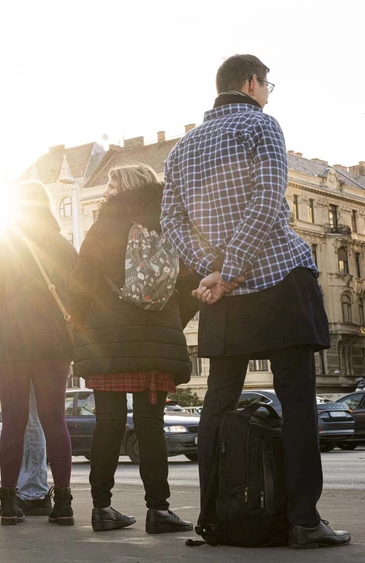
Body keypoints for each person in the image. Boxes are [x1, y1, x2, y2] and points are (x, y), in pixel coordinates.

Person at [161, 54, 350, 549]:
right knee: (297, 402)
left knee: (217, 405)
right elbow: (268, 202)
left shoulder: (181, 151)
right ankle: (304, 522)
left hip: (224, 299)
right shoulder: (260, 126)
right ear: (251, 83)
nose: (268, 93)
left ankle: (213, 518)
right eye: (268, 85)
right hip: (280, 281)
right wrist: (232, 267)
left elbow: (172, 224)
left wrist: (213, 271)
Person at [68, 164, 199, 534]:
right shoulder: (170, 225)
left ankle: (102, 508)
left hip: (108, 344)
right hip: (155, 345)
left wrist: (82, 320)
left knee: (108, 425)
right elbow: (191, 284)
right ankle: (159, 511)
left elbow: (79, 283)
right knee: (151, 426)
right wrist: (171, 319)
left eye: (110, 184)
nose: (106, 190)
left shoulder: (103, 227)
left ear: (123, 188)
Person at [0, 181, 77, 526]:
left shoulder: (2, 248)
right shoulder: (63, 247)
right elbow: (80, 298)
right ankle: (63, 503)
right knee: (55, 422)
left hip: (11, 347)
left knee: (14, 423)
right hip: (53, 346)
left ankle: (9, 502)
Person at [0, 384, 52, 517]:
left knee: (29, 423)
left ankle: (33, 494)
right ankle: (30, 490)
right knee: (27, 423)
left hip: (25, 365)